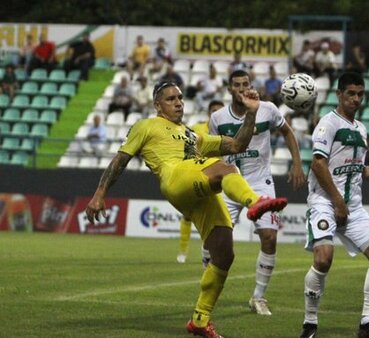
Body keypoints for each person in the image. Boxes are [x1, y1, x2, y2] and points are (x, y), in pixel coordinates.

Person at [85, 81, 288, 338]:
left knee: (224, 253)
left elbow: (238, 145)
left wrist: (251, 113)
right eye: (170, 99)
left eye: (180, 97)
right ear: (157, 105)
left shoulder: (194, 136)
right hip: (174, 176)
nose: (178, 102)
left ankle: (200, 320)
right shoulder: (146, 126)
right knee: (224, 168)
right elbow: (121, 159)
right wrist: (100, 193)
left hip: (196, 187)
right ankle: (254, 201)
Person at [299, 72, 369, 338]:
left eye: (360, 94)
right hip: (326, 202)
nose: (356, 99)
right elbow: (318, 163)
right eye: (351, 93)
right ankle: (310, 325)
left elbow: (358, 170)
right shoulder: (328, 124)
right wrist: (337, 201)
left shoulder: (361, 128)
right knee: (323, 259)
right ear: (339, 94)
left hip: (353, 206)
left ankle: (367, 324)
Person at [209, 69, 306, 316]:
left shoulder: (268, 109)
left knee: (270, 237)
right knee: (216, 243)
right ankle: (209, 288)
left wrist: (297, 163)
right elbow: (211, 154)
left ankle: (258, 297)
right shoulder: (218, 118)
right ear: (229, 89)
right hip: (230, 183)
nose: (242, 89)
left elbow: (287, 132)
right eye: (237, 85)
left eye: (246, 84)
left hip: (260, 183)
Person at [177, 99, 225, 264]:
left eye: (219, 111)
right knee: (187, 216)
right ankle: (183, 252)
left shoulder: (228, 131)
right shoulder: (197, 129)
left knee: (216, 221)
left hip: (220, 181)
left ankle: (211, 253)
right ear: (209, 113)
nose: (216, 114)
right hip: (199, 177)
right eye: (213, 111)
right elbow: (188, 151)